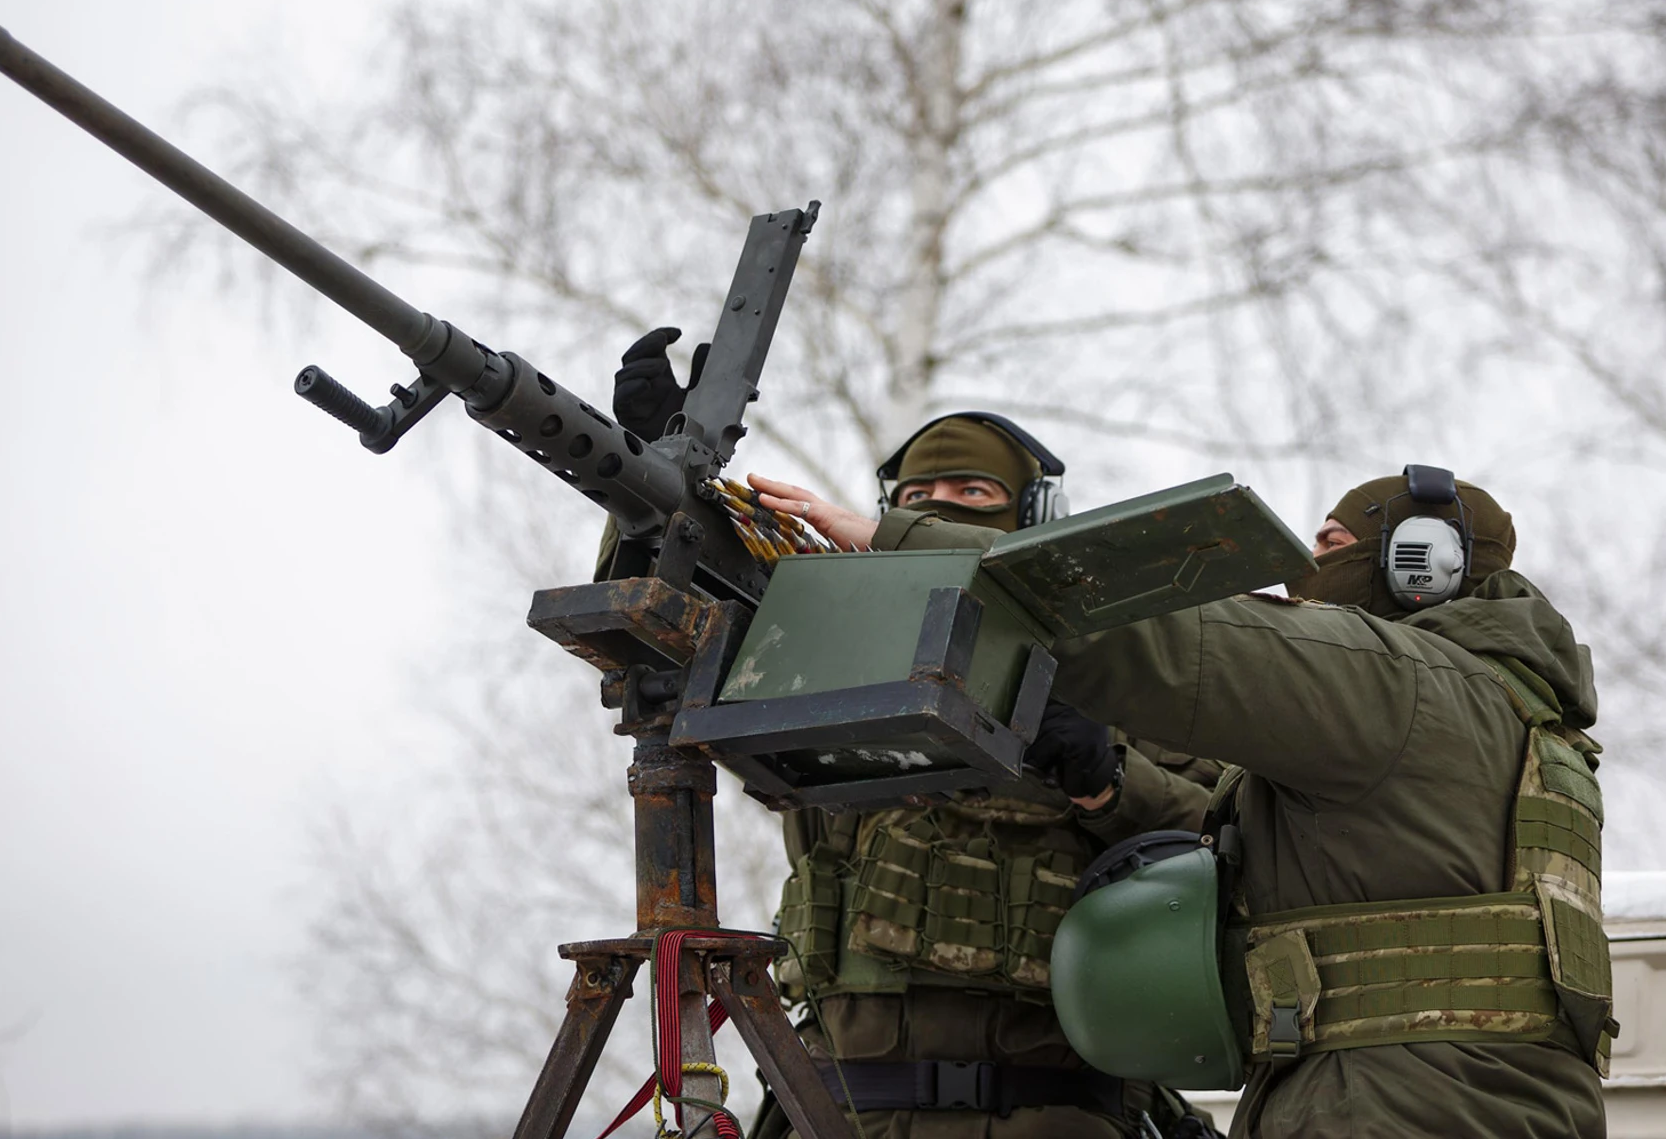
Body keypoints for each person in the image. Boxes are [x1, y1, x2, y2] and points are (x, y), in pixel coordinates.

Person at [748, 466, 1613, 1139]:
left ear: (1421, 565)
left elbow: (1166, 641)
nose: (1307, 574)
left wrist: (907, 544)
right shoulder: (1530, 724)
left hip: (1394, 1105)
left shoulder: (1403, 685)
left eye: (1333, 544)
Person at [610, 328, 1225, 1138]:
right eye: (918, 497)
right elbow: (669, 642)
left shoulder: (1125, 674)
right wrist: (650, 493)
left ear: (1036, 518)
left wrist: (1105, 776)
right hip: (837, 1108)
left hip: (1052, 1113)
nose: (940, 510)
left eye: (974, 494)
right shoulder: (830, 649)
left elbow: (1234, 839)